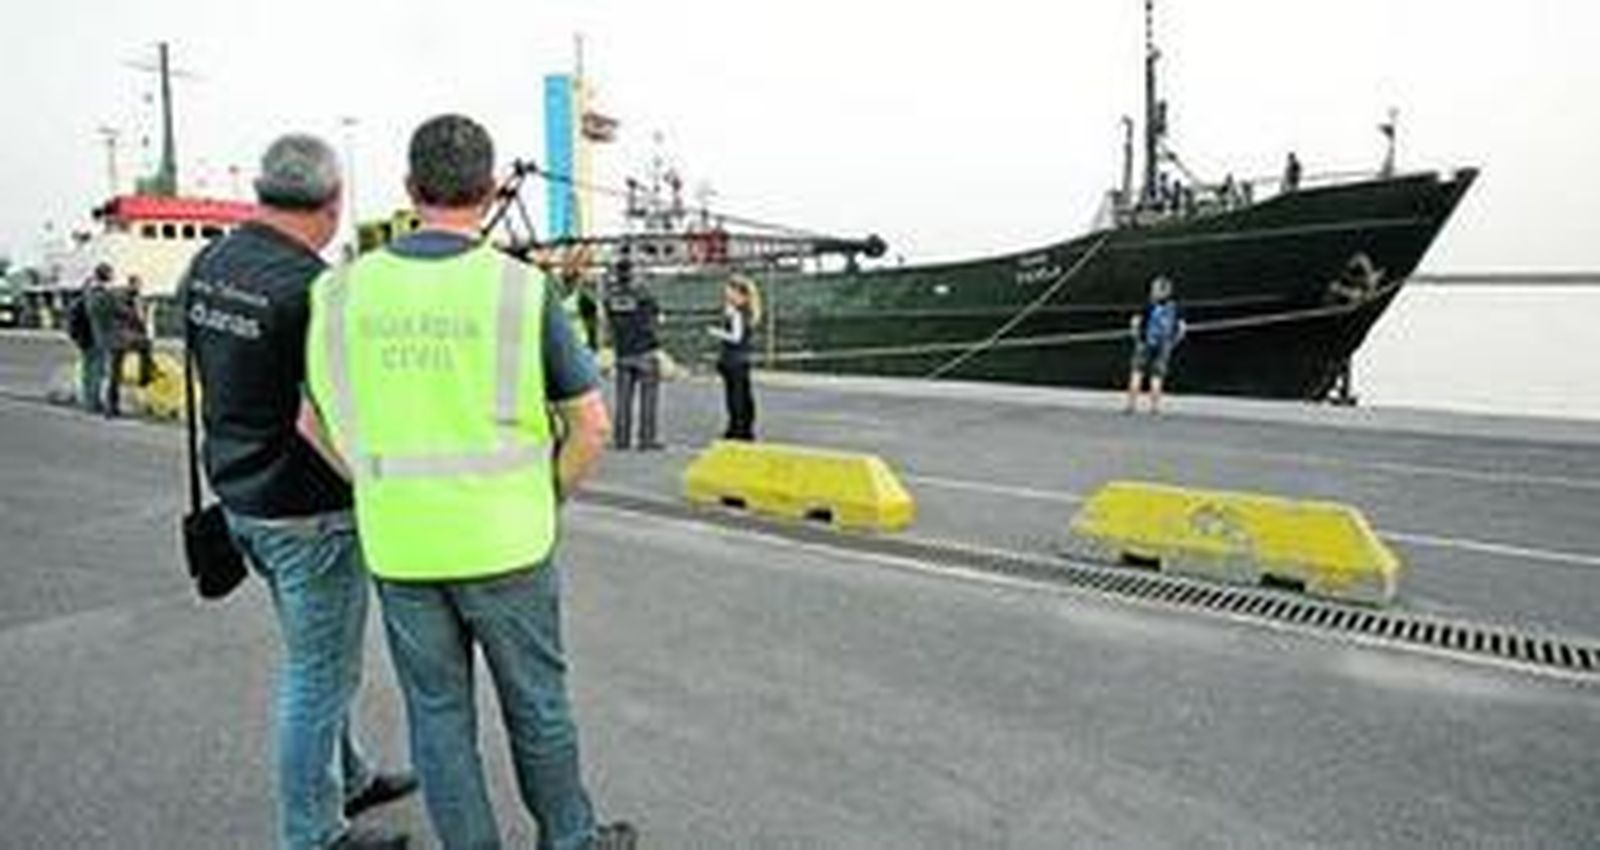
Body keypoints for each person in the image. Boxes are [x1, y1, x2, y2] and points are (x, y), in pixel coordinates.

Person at [303, 114, 636, 850]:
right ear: (489, 193)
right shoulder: (520, 290)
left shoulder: (339, 295)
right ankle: (570, 839)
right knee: (539, 709)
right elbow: (592, 427)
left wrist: (377, 486)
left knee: (438, 719)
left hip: (401, 548)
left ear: (409, 189)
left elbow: (310, 422)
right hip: (510, 543)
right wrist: (543, 497)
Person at [181, 133, 415, 850]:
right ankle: (313, 834)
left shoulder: (207, 264)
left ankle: (348, 777)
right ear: (334, 202)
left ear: (260, 187)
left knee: (314, 658)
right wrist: (381, 488)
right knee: (320, 676)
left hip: (240, 496)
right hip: (308, 513)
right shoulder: (316, 289)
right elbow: (322, 417)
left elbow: (209, 373)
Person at [602, 257, 664, 450]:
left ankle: (621, 439)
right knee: (648, 398)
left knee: (623, 399)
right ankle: (646, 439)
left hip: (623, 351)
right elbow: (657, 318)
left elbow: (609, 323)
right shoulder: (644, 295)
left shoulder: (609, 298)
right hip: (645, 350)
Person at [1125, 275, 1187, 415]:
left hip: (1144, 342)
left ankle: (1131, 405)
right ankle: (1155, 408)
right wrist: (1173, 342)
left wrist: (1136, 337)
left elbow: (1135, 323)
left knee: (1137, 372)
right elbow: (1182, 329)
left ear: (1154, 290)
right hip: (1164, 344)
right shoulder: (1175, 307)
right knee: (1157, 376)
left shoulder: (1147, 304)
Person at [708, 275, 759, 440]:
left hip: (733, 359)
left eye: (729, 290)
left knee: (735, 397)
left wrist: (717, 333)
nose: (725, 293)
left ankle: (737, 428)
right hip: (741, 360)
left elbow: (735, 337)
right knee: (743, 395)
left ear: (737, 292)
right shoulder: (747, 311)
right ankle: (744, 427)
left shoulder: (737, 313)